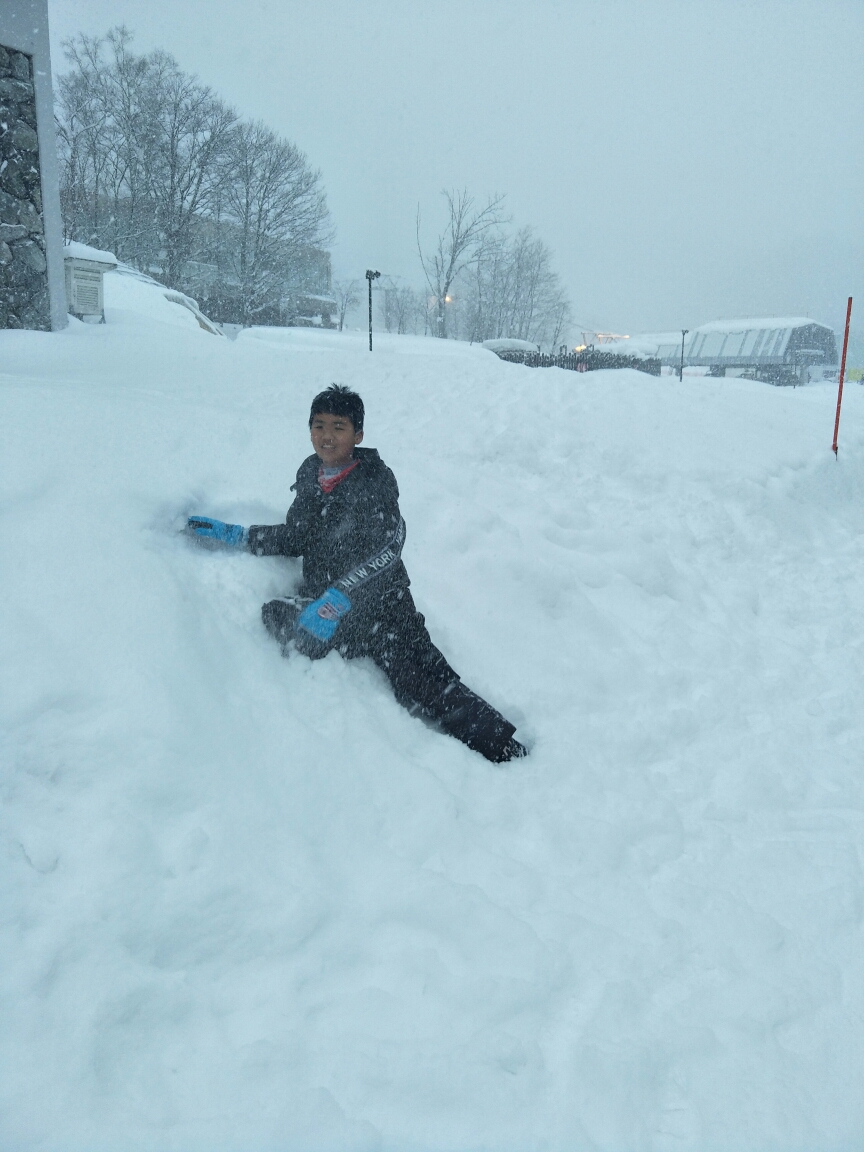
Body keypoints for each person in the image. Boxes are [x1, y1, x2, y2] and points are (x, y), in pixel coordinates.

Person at [187, 384, 527, 764]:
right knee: (279, 616)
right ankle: (357, 643)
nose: (327, 436)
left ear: (358, 435)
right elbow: (299, 535)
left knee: (425, 676)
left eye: (338, 427)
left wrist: (341, 595)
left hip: (383, 599)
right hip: (333, 604)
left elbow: (392, 542)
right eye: (318, 426)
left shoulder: (374, 479)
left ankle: (504, 748)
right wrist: (241, 536)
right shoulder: (310, 474)